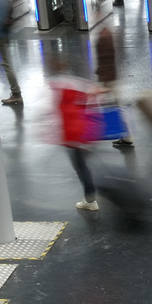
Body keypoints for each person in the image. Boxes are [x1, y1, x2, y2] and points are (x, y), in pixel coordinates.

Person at [47, 58, 107, 211]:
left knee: (81, 167)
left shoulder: (58, 87)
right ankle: (94, 193)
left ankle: (90, 199)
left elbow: (53, 113)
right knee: (87, 164)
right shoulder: (75, 84)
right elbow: (95, 93)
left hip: (74, 135)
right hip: (87, 130)